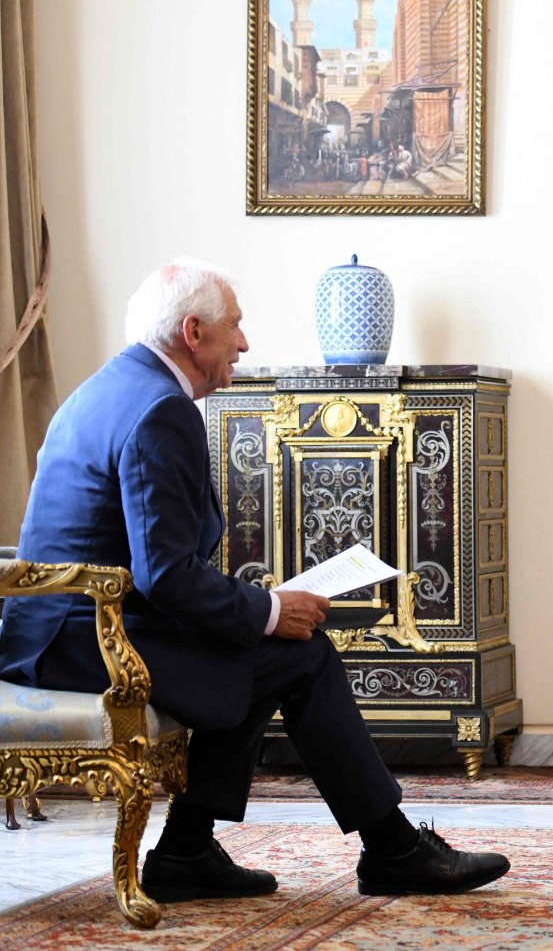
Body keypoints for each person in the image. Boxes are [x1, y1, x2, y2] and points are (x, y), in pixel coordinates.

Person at [0, 260, 510, 903]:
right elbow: (167, 576)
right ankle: (392, 848)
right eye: (234, 327)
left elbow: (153, 568)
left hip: (54, 628)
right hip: (84, 641)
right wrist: (269, 609)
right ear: (193, 332)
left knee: (253, 652)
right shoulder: (160, 410)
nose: (243, 343)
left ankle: (190, 850)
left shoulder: (110, 387)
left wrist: (254, 614)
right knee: (299, 656)